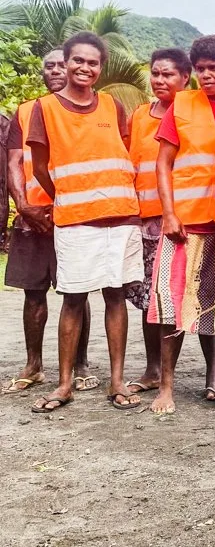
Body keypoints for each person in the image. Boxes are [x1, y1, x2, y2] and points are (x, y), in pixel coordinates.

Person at [27, 32, 144, 412]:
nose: (85, 68)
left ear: (100, 68)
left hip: (121, 214)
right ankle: (64, 384)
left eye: (93, 63)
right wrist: (66, 193)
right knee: (73, 298)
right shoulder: (45, 108)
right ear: (67, 61)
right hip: (75, 218)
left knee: (115, 296)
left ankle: (116, 381)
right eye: (78, 60)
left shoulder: (112, 105)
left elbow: (124, 153)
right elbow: (42, 167)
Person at [148, 35, 215, 414]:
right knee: (171, 307)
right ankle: (166, 388)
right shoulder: (182, 104)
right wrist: (168, 213)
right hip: (183, 225)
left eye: (212, 68)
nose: (205, 75)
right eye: (199, 68)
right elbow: (163, 163)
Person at [3, 50, 96, 395]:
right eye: (50, 66)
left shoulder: (87, 110)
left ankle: (81, 363)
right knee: (33, 293)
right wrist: (24, 206)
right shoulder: (26, 111)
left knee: (77, 292)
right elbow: (14, 162)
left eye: (62, 64)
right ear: (43, 72)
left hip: (72, 215)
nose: (56, 70)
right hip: (33, 219)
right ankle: (34, 364)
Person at [125, 48, 191, 397]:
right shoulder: (138, 115)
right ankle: (153, 370)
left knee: (179, 296)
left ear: (185, 78)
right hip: (142, 220)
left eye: (168, 74)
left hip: (181, 220)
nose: (160, 80)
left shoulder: (193, 113)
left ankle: (211, 377)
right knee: (149, 298)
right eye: (156, 73)